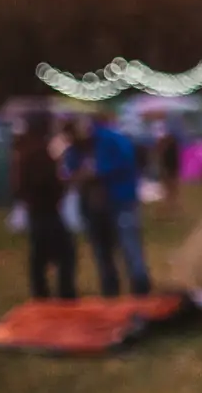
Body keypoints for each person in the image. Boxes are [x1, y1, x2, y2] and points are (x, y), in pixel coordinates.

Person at [63, 113, 151, 297]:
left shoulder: (111, 139)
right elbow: (71, 171)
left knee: (129, 244)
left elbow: (127, 161)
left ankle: (140, 287)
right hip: (92, 205)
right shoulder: (74, 148)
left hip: (120, 200)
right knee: (101, 249)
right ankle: (110, 289)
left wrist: (98, 172)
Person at [12, 113, 78, 300]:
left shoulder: (22, 152)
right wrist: (62, 184)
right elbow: (47, 182)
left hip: (36, 211)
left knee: (39, 257)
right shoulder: (39, 153)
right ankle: (65, 296)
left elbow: (19, 187)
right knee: (65, 254)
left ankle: (40, 295)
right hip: (47, 211)